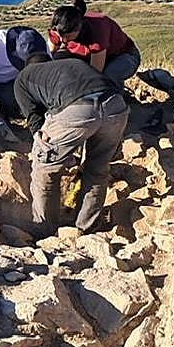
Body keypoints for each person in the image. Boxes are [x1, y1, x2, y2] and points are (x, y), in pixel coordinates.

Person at [14, 51, 129, 234]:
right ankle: (87, 226)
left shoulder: (23, 78)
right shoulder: (69, 65)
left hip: (78, 109)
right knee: (97, 168)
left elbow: (34, 119)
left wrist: (48, 147)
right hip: (116, 106)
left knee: (45, 167)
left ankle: (44, 229)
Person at [48, 0, 141, 92]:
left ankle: (116, 100)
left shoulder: (98, 31)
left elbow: (95, 73)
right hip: (86, 57)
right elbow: (49, 56)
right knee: (57, 62)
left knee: (105, 79)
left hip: (124, 56)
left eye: (67, 37)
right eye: (59, 36)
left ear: (77, 30)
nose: (62, 41)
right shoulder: (58, 29)